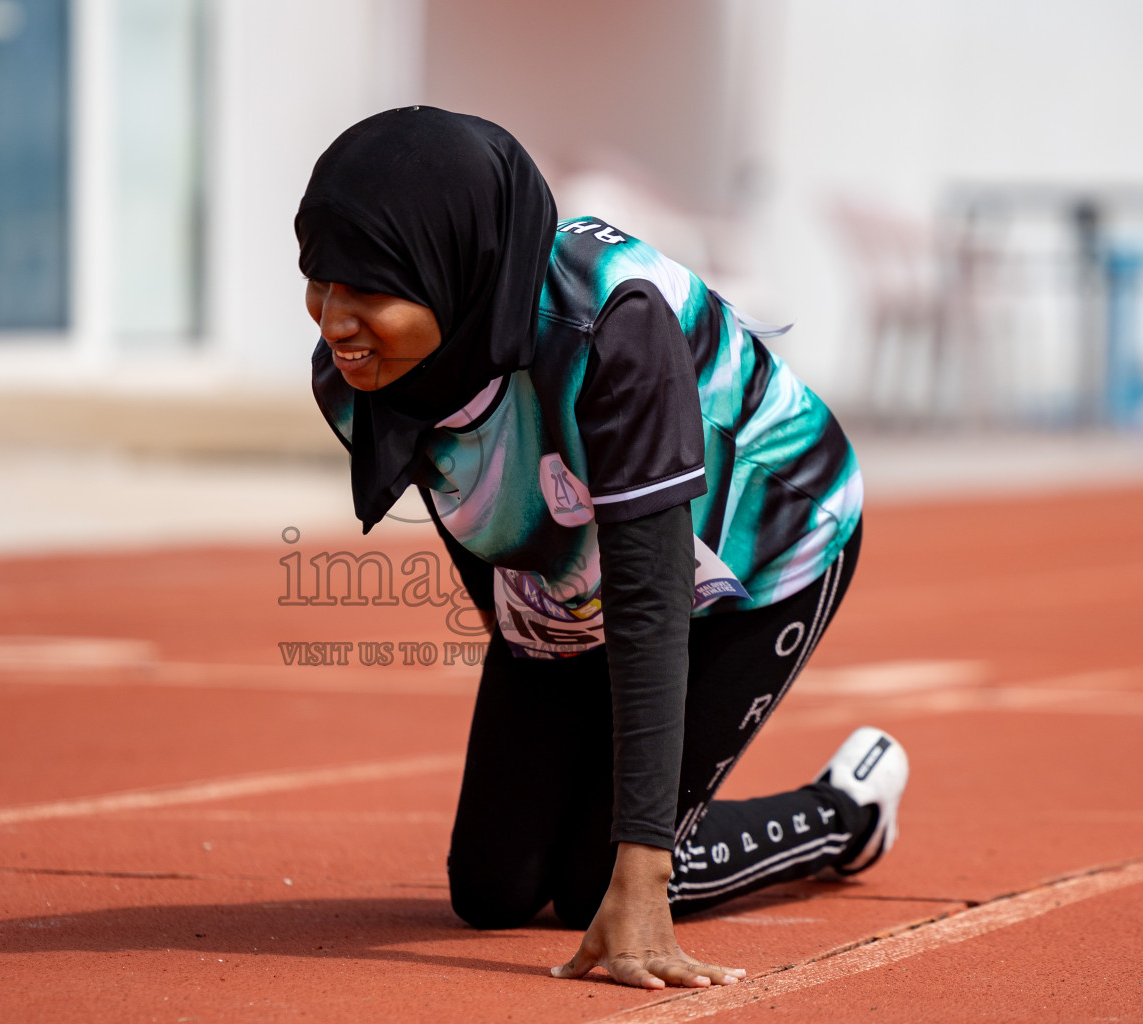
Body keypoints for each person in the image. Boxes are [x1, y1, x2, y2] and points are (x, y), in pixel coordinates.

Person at [295, 107, 909, 991]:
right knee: (493, 890)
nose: (335, 321)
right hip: (577, 568)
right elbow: (482, 530)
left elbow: (655, 603)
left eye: (368, 290)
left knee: (606, 878)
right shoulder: (359, 378)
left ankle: (844, 814)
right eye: (320, 281)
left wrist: (643, 862)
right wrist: (546, 661)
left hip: (759, 555)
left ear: (453, 267)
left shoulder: (611, 328)